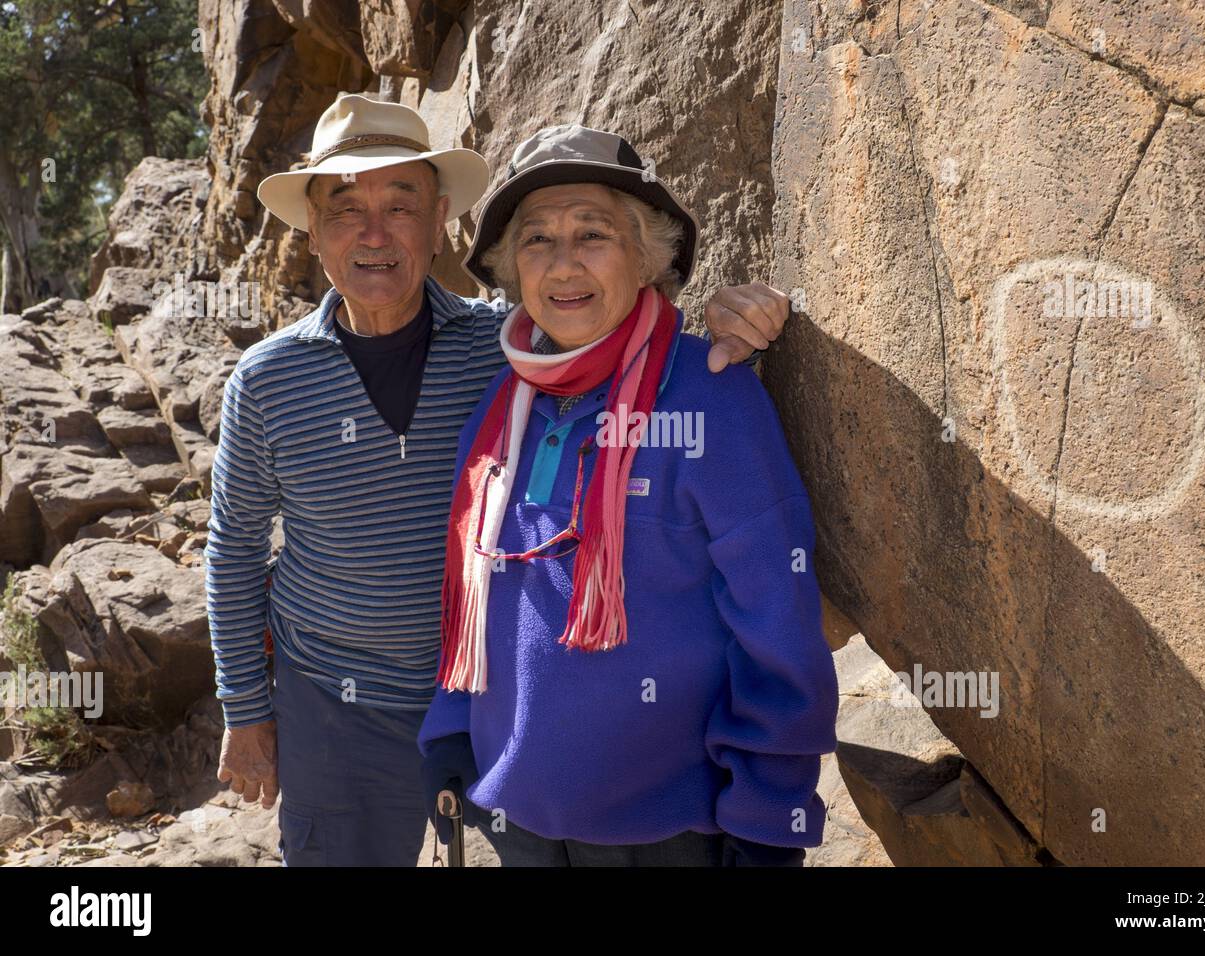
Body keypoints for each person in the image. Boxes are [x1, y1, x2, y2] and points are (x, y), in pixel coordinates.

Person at [207, 94, 794, 866]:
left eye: (401, 203)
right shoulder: (268, 378)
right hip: (334, 700)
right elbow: (234, 550)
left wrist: (735, 318)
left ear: (440, 218)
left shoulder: (510, 349)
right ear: (312, 231)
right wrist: (245, 711)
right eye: (345, 208)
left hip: (497, 703)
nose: (375, 233)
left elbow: (628, 331)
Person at [418, 124, 839, 867]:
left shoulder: (710, 394)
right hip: (517, 815)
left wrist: (772, 817)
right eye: (538, 240)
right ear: (514, 271)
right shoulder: (499, 410)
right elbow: (476, 589)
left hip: (668, 833)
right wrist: (450, 726)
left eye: (593, 234)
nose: (564, 262)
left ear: (648, 257)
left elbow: (777, 620)